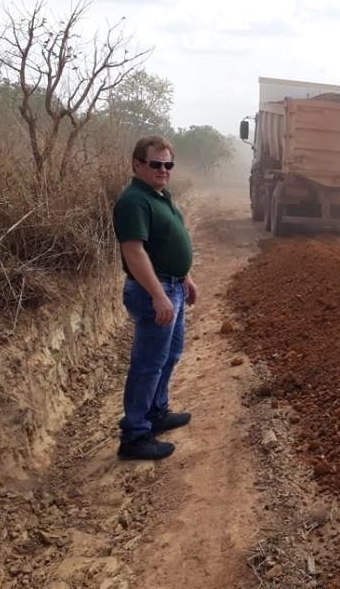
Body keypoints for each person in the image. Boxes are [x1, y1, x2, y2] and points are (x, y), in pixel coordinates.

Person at [112, 136, 198, 460]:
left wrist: (185, 277)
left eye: (168, 164)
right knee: (147, 364)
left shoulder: (160, 196)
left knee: (170, 354)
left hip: (173, 287)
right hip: (155, 292)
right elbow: (134, 252)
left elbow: (165, 244)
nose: (163, 170)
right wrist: (159, 295)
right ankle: (134, 435)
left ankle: (157, 412)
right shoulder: (134, 201)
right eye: (155, 164)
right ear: (137, 165)